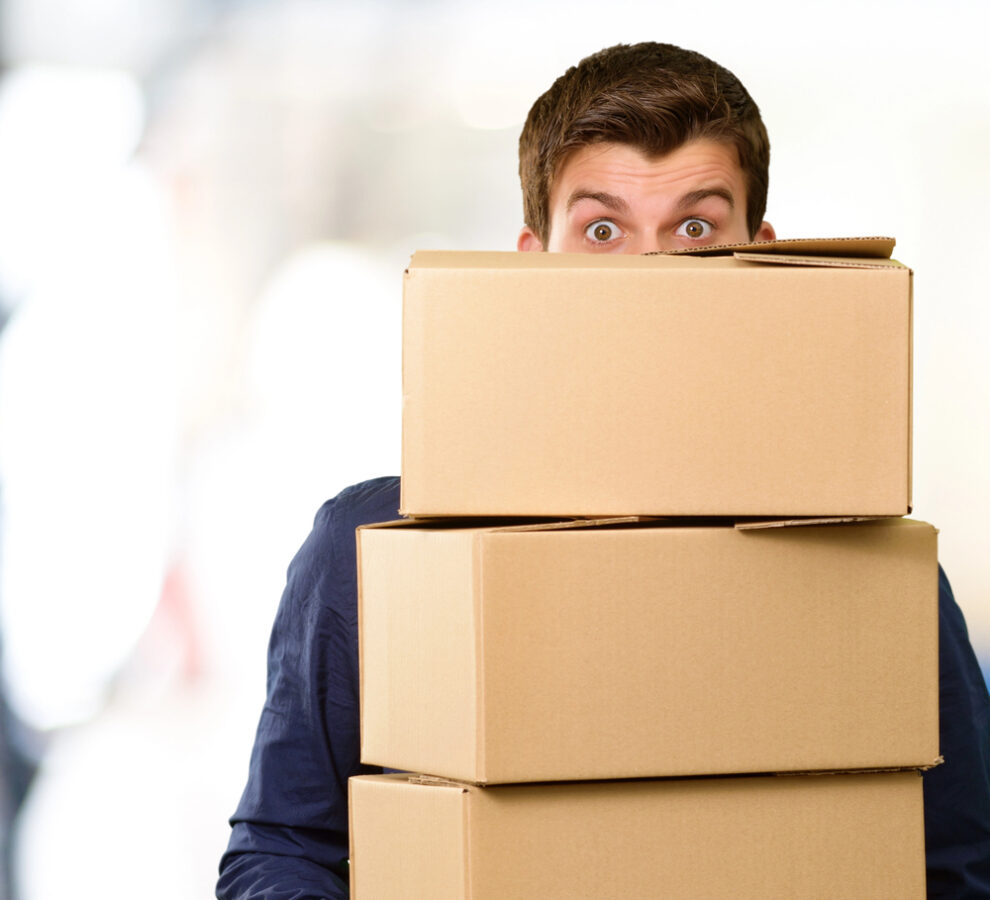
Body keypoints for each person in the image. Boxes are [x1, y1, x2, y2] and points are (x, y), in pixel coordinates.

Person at [216, 42, 990, 898]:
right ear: (535, 262)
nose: (649, 273)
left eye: (695, 228)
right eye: (602, 230)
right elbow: (280, 852)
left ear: (763, 260)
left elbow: (961, 864)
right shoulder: (376, 551)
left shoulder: (878, 570)